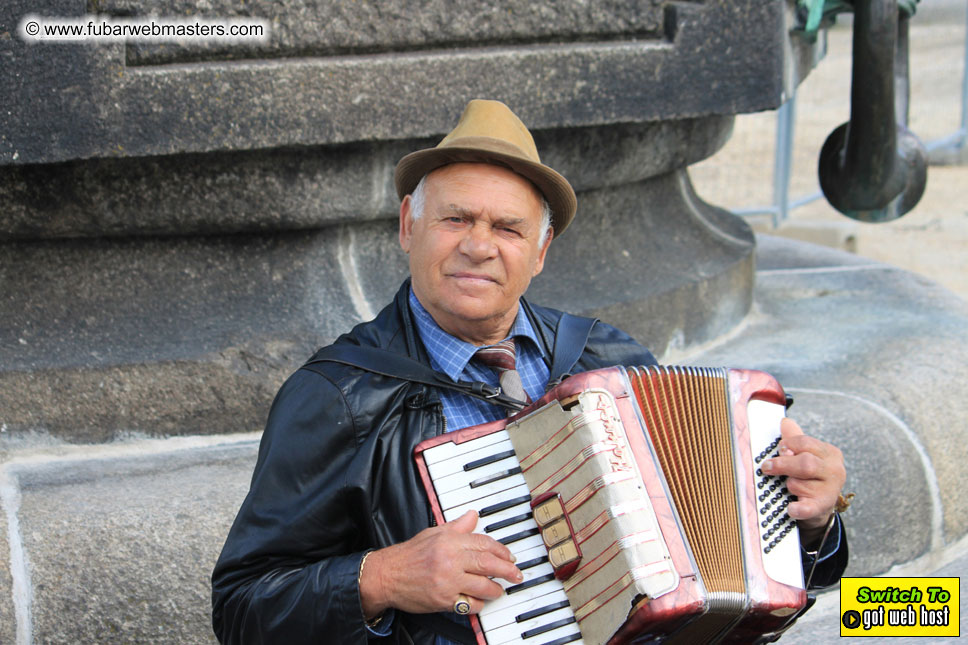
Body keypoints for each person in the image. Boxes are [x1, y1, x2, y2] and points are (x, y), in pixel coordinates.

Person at [211, 99, 848, 644]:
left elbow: (746, 565)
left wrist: (812, 517)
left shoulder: (609, 360)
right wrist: (379, 578)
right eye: (455, 218)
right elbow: (242, 606)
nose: (479, 245)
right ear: (409, 225)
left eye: (507, 228)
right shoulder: (339, 396)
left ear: (539, 252)